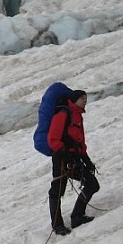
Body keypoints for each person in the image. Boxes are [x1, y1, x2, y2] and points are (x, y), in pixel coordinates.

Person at [47, 89, 99, 235]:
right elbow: (53, 139)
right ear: (74, 100)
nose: (85, 101)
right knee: (57, 191)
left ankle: (77, 217)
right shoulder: (64, 114)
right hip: (61, 158)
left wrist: (85, 158)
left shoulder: (77, 116)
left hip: (73, 157)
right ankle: (57, 226)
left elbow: (79, 140)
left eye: (86, 98)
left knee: (92, 184)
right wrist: (65, 155)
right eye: (82, 98)